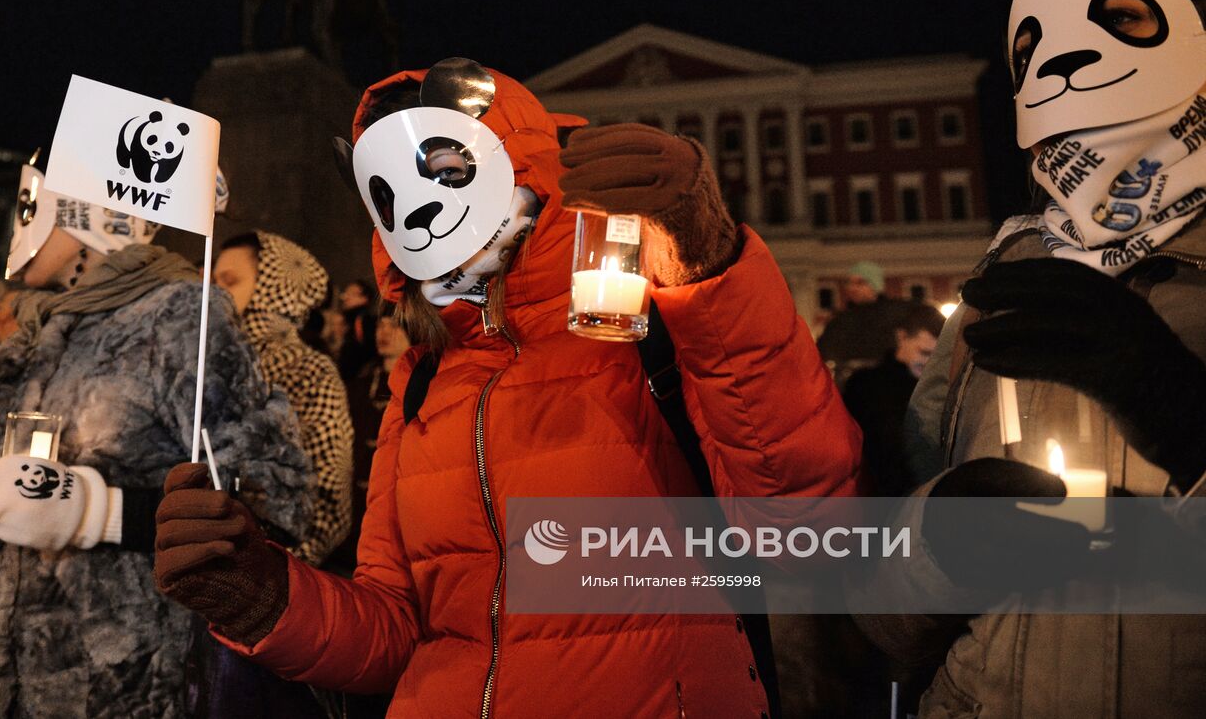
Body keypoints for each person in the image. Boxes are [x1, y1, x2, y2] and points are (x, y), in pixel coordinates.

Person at [153, 58, 861, 717]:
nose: (422, 209)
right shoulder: (425, 376)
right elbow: (396, 627)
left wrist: (709, 268)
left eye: (448, 165)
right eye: (388, 194)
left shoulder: (647, 319)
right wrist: (266, 599)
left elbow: (799, 527)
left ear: (511, 154)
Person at [861, 0, 1206, 717]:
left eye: (1122, 18)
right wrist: (938, 546)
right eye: (1031, 45)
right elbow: (881, 614)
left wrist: (1193, 431)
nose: (1069, 58)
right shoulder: (1003, 283)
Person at [0, 163, 313, 718]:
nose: (19, 225)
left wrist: (97, 513)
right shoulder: (28, 341)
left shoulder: (180, 318)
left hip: (121, 695)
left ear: (92, 213)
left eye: (33, 208)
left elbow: (272, 498)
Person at [214, 230, 354, 566]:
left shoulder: (309, 373)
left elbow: (328, 505)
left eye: (229, 282)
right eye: (211, 281)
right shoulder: (208, 366)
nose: (214, 294)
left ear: (273, 292)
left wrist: (268, 580)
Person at [327, 314, 410, 572]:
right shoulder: (359, 386)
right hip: (354, 504)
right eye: (381, 325)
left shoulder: (427, 387)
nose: (384, 332)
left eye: (394, 326)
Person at [842, 303, 945, 498]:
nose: (929, 363)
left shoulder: (941, 388)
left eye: (936, 356)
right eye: (924, 353)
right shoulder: (866, 386)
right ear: (901, 337)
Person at [816, 260, 911, 387]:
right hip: (851, 383)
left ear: (876, 285)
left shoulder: (896, 313)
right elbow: (824, 351)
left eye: (860, 283)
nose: (852, 288)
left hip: (889, 382)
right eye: (849, 283)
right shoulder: (840, 320)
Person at [335, 279, 377, 380]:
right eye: (345, 293)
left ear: (365, 298)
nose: (344, 297)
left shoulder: (364, 321)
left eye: (352, 294)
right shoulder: (350, 321)